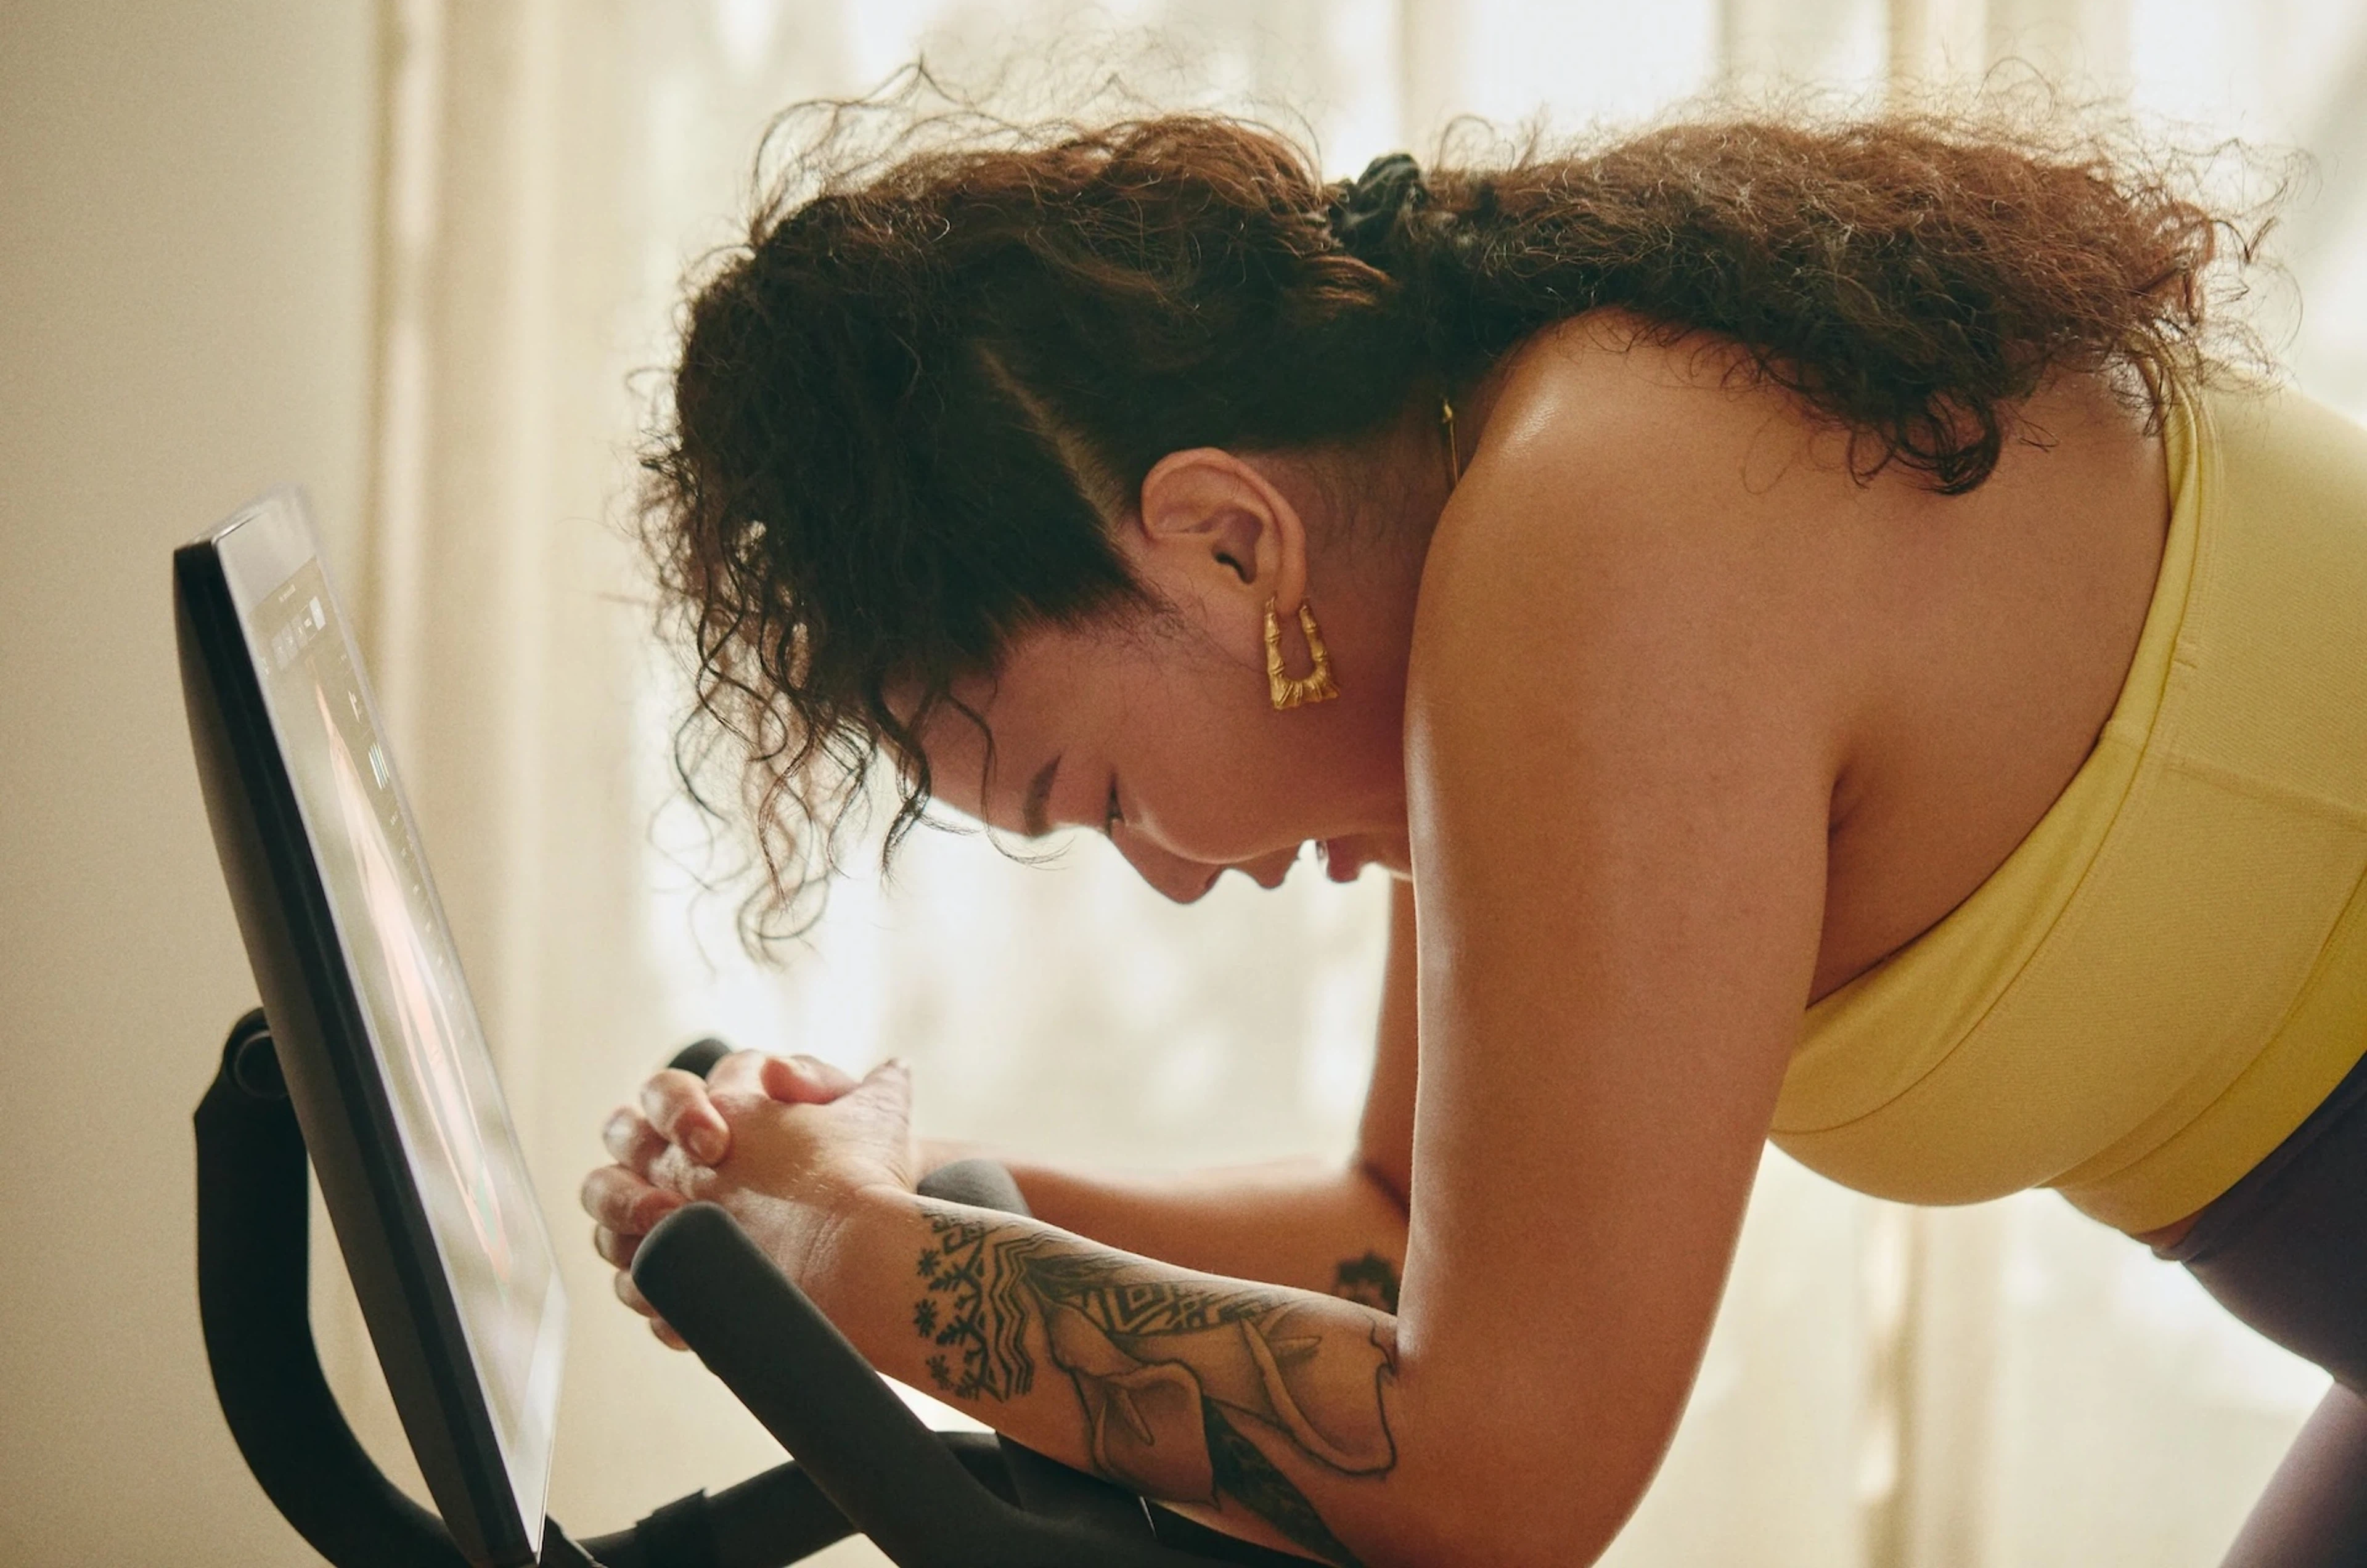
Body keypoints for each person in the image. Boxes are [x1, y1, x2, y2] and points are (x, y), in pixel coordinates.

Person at [578, 100, 2367, 1567]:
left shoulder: (1610, 524)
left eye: (1103, 797)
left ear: (1222, 536)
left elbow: (1502, 1484)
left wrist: (846, 1258)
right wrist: (882, 1206)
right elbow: (1399, 1230)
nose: (1184, 870)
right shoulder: (1526, 492)